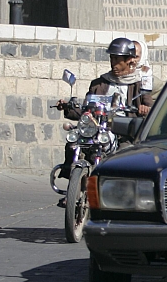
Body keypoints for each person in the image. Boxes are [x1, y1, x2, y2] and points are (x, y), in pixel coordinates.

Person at [56, 37, 154, 180]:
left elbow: (151, 109)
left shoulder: (140, 85)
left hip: (123, 133)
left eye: (117, 60)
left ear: (129, 61)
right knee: (73, 142)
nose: (113, 64)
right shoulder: (99, 83)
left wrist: (144, 109)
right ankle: (73, 184)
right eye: (112, 59)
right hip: (98, 128)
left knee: (124, 154)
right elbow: (86, 110)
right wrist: (67, 106)